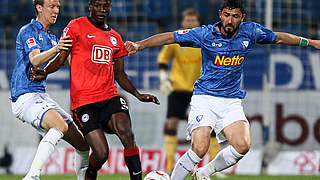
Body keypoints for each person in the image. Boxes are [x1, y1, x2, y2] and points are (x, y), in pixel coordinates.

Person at [125, 0, 320, 179]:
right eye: (226, 14)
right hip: (205, 98)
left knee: (243, 146)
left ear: (242, 18)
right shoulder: (205, 33)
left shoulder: (251, 31)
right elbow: (170, 37)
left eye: (235, 16)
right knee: (199, 148)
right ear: (220, 14)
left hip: (231, 101)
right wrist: (139, 45)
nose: (230, 20)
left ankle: (204, 172)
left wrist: (310, 42)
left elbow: (278, 38)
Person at [30, 0, 160, 180]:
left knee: (127, 133)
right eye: (98, 5)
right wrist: (44, 72)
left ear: (110, 8)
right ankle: (90, 174)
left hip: (109, 97)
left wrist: (138, 95)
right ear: (90, 6)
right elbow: (61, 58)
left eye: (105, 6)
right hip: (84, 103)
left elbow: (120, 74)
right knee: (101, 153)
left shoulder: (115, 38)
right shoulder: (76, 26)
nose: (102, 9)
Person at [9, 0, 90, 180]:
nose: (56, 11)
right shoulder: (27, 31)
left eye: (58, 7)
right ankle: (32, 176)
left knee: (83, 145)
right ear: (39, 7)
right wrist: (58, 48)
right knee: (59, 125)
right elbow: (36, 60)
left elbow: (72, 64)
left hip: (41, 96)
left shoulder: (52, 37)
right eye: (51, 7)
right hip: (24, 96)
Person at [157, 8, 223, 177]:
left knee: (211, 127)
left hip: (201, 90)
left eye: (193, 20)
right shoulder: (177, 39)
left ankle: (214, 167)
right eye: (187, 20)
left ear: (198, 22)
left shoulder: (205, 39)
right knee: (171, 123)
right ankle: (170, 165)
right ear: (183, 22)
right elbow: (163, 60)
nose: (190, 23)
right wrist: (164, 79)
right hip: (178, 88)